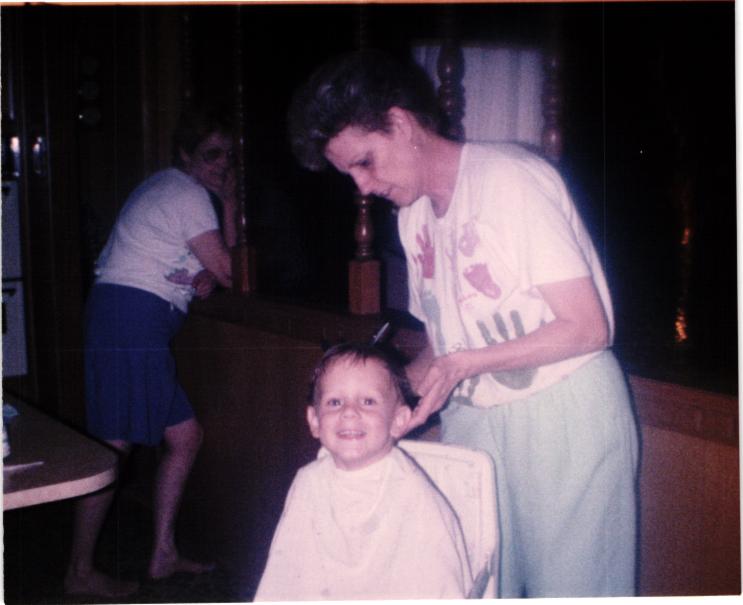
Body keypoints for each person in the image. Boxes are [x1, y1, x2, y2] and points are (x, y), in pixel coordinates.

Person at [287, 49, 640, 598]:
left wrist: (462, 365)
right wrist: (385, 400)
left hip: (562, 412)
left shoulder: (509, 180)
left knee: (573, 590)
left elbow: (588, 327)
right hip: (477, 419)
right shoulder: (414, 217)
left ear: (401, 124)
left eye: (365, 162)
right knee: (482, 582)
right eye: (350, 173)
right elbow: (444, 343)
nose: (362, 186)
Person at [64, 107, 237, 598]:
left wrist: (202, 275)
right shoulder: (188, 194)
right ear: (185, 155)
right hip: (131, 320)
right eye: (212, 154)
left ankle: (162, 555)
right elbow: (233, 271)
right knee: (112, 449)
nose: (223, 164)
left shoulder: (166, 187)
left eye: (230, 156)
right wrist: (229, 204)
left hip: (126, 318)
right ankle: (78, 573)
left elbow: (205, 267)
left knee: (185, 437)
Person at [254, 342, 473, 601]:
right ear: (314, 421)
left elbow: (438, 584)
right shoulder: (308, 482)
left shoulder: (414, 495)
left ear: (398, 420)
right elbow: (284, 575)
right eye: (335, 402)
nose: (349, 412)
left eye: (368, 401)